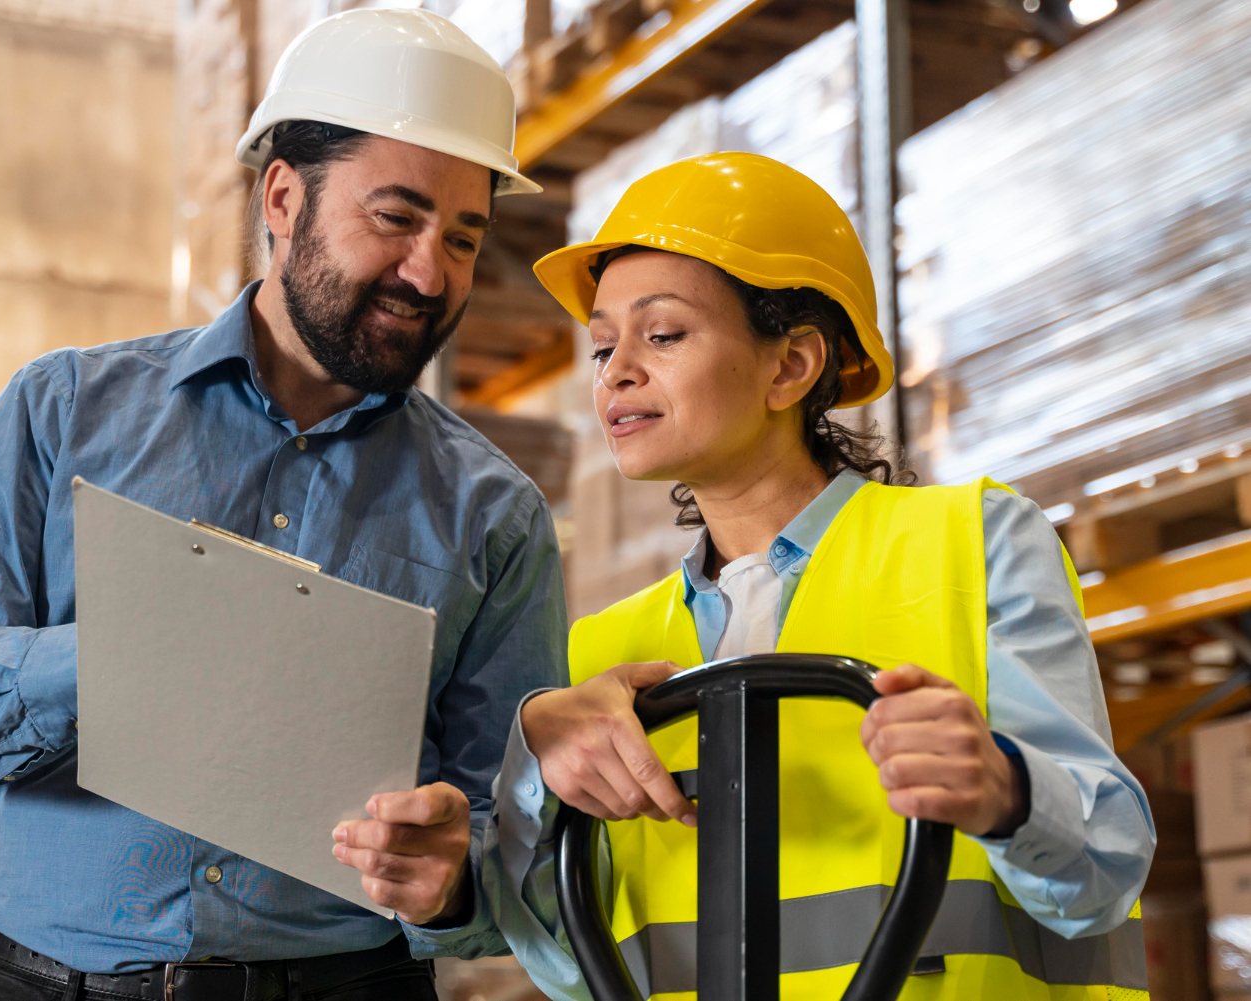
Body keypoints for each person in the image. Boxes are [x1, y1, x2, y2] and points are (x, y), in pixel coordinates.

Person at [0, 10, 565, 1001]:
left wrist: (455, 884)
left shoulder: (496, 513)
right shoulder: (63, 412)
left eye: (463, 236)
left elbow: (523, 842)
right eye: (397, 217)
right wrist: (121, 661)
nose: (429, 273)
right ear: (284, 197)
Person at [482, 152, 1155, 1000]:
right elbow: (567, 968)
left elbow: (1105, 865)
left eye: (663, 334)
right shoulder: (604, 653)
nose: (616, 371)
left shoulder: (974, 543)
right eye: (604, 345)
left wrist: (1009, 791)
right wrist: (528, 771)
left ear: (791, 365)